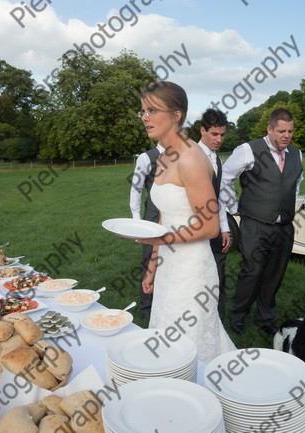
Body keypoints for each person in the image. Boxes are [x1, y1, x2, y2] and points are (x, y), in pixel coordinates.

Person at [135, 81, 236, 362]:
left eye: (153, 110)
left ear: (177, 115)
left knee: (188, 343)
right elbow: (165, 217)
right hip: (169, 265)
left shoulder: (191, 158)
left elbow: (210, 226)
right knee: (165, 335)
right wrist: (153, 265)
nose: (145, 117)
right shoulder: (164, 157)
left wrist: (162, 240)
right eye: (143, 111)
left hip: (192, 269)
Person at [221, 108, 303, 335]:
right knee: (253, 271)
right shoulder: (248, 150)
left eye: (290, 131)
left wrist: (287, 205)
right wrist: (233, 206)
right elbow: (225, 177)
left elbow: (296, 181)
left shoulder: (297, 153)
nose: (286, 135)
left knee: (275, 273)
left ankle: (265, 317)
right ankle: (238, 314)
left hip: (285, 227)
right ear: (269, 129)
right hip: (255, 224)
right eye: (281, 131)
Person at [196, 109, 231, 319]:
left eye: (222, 135)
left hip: (216, 230)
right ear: (202, 130)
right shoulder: (189, 156)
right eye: (214, 134)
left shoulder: (217, 159)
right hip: (193, 230)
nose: (219, 139)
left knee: (218, 276)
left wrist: (225, 228)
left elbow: (220, 197)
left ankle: (216, 319)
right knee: (198, 277)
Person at [129, 142, 165, 319]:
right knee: (149, 256)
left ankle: (164, 299)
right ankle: (146, 307)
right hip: (153, 212)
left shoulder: (182, 153)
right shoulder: (146, 157)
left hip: (175, 214)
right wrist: (137, 221)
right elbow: (136, 189)